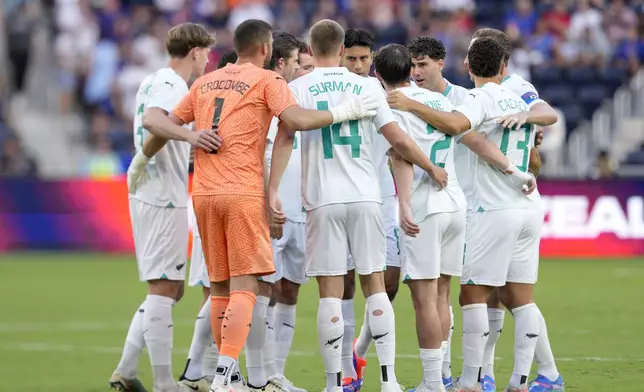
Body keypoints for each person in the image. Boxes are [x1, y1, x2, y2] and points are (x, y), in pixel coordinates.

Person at [141, 19, 381, 392]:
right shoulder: (267, 81)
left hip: (203, 193)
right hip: (241, 190)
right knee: (246, 287)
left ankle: (226, 375)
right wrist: (344, 111)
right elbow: (296, 120)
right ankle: (224, 374)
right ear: (267, 49)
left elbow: (154, 121)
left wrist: (152, 153)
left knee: (219, 288)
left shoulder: (206, 82)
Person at [267, 19, 448, 392]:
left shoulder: (296, 87)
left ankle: (335, 384)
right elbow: (397, 138)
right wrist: (430, 166)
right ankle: (390, 381)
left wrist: (272, 191)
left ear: (311, 50)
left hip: (321, 200)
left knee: (330, 292)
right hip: (366, 196)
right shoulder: (367, 87)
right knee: (375, 287)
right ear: (339, 50)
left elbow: (285, 139)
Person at [375, 43, 534, 392]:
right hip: (456, 205)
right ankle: (443, 376)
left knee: (424, 298)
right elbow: (474, 140)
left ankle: (433, 382)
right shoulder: (442, 102)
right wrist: (514, 170)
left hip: (425, 206)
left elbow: (401, 154)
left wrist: (403, 205)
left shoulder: (392, 106)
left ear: (378, 75)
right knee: (443, 293)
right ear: (408, 70)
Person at [110, 23, 217, 392]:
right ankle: (163, 383)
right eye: (206, 52)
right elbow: (154, 121)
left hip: (159, 188)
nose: (208, 59)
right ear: (195, 52)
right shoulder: (172, 84)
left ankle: (125, 370)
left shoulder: (154, 79)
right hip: (160, 194)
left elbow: (156, 130)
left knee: (171, 288)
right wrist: (192, 135)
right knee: (163, 286)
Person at [467, 28, 562, 392]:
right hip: (515, 196)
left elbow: (545, 112)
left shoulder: (515, 88)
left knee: (492, 293)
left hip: (499, 199)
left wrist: (527, 117)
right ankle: (535, 375)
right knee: (508, 295)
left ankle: (484, 376)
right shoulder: (489, 93)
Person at [244, 31, 306, 392]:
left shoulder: (293, 96)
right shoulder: (268, 96)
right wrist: (271, 201)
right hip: (275, 210)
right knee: (263, 290)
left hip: (299, 210)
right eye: (298, 62)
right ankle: (259, 374)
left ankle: (275, 374)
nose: (301, 68)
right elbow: (264, 154)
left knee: (290, 292)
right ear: (280, 62)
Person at [340, 28, 401, 392]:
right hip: (339, 198)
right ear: (340, 56)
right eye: (352, 58)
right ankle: (349, 370)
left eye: (365, 59)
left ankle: (359, 351)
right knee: (345, 283)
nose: (360, 65)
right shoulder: (328, 93)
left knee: (387, 283)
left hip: (382, 198)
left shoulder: (384, 94)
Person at [178, 52, 239, 392]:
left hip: (205, 197)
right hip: (223, 199)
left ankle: (198, 371)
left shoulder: (205, 97)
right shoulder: (236, 101)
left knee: (216, 290)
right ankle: (209, 371)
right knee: (218, 291)